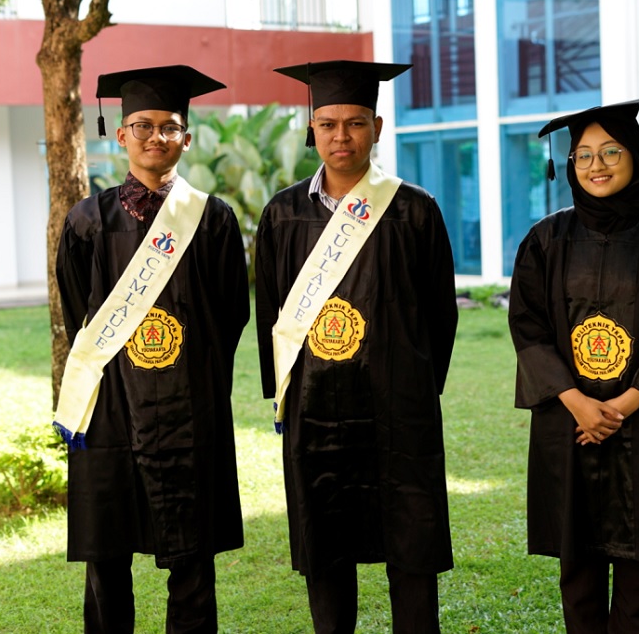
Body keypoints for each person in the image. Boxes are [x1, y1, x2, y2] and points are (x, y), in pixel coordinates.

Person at [255, 59, 458, 633]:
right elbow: (269, 312)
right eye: (328, 124)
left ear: (377, 126)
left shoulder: (414, 209)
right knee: (327, 547)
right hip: (315, 408)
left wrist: (416, 386)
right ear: (311, 127)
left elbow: (440, 313)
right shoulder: (282, 215)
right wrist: (284, 399)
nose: (340, 136)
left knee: (410, 545)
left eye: (354, 123)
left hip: (399, 408)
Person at [507, 94, 639, 633]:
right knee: (577, 571)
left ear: (637, 156)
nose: (595, 165)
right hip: (567, 422)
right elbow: (527, 327)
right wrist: (578, 403)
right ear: (570, 165)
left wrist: (618, 408)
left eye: (610, 152)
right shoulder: (545, 240)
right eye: (583, 155)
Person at [54, 65, 249, 633]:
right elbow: (77, 314)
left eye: (169, 127)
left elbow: (230, 315)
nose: (155, 137)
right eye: (142, 125)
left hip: (190, 408)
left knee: (191, 555)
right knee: (106, 553)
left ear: (186, 138)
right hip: (111, 404)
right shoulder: (88, 220)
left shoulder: (211, 219)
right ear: (120, 135)